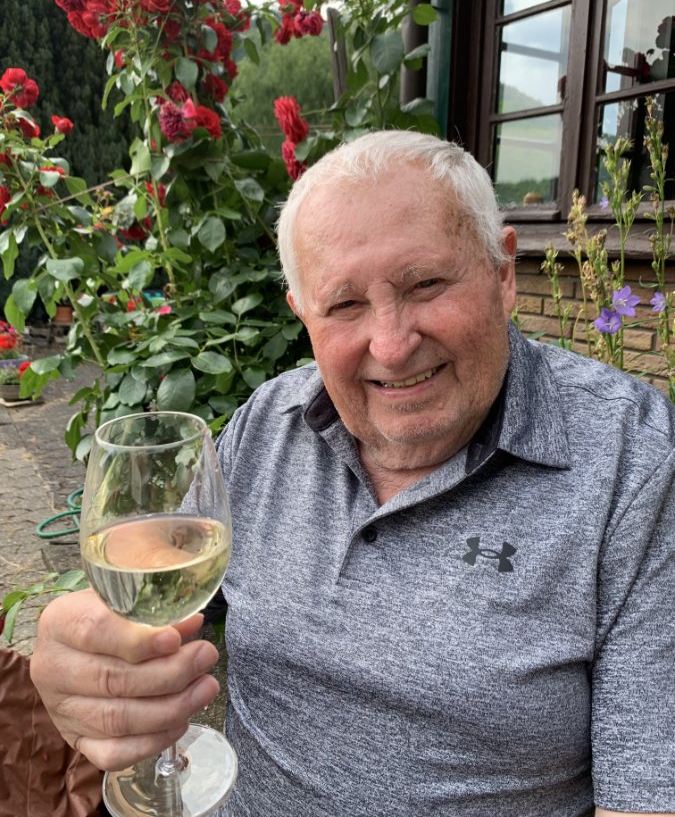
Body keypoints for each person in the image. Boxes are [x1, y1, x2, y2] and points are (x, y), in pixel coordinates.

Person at [30, 131, 675, 816]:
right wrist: (89, 653)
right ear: (302, 316)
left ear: (503, 272)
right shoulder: (267, 423)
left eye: (425, 284)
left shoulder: (629, 456)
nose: (391, 346)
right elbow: (161, 593)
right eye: (343, 305)